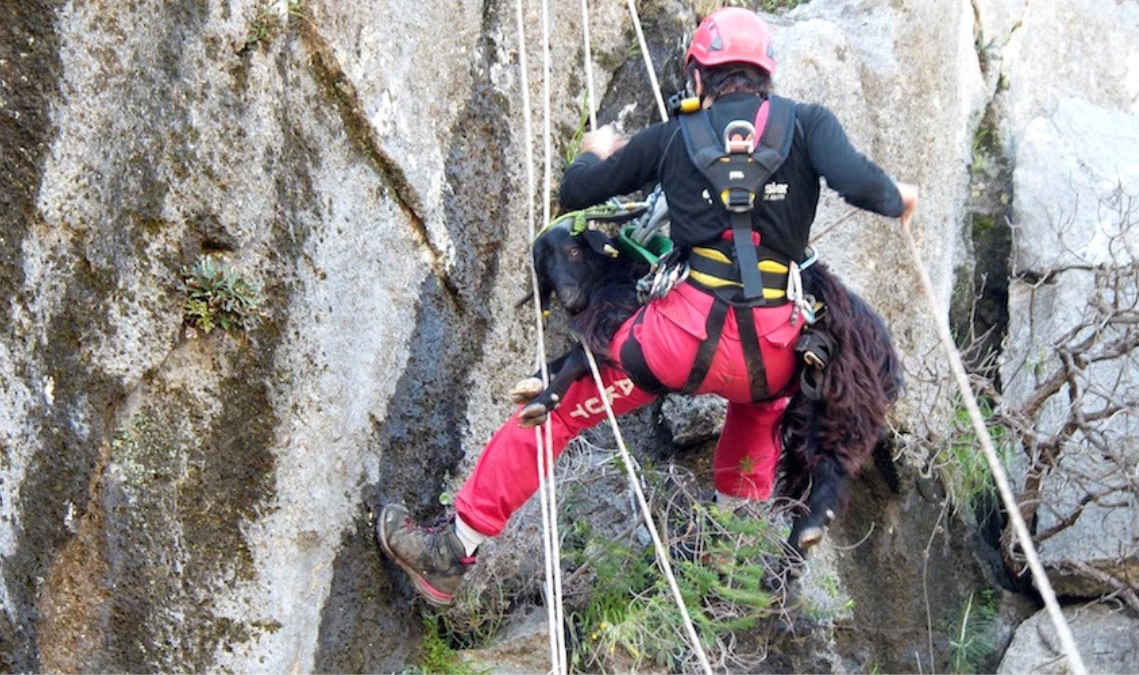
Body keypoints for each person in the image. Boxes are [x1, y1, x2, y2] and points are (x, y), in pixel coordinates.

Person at [378, 6, 919, 607]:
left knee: (558, 408)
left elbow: (577, 193)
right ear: (766, 75)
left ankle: (452, 552)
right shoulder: (809, 124)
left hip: (676, 341)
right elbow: (864, 186)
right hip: (773, 350)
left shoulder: (674, 138)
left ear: (697, 78)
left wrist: (594, 149)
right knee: (759, 412)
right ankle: (727, 565)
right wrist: (900, 198)